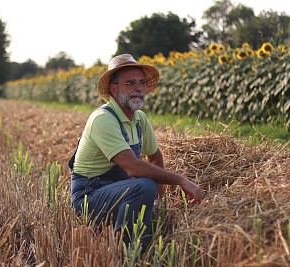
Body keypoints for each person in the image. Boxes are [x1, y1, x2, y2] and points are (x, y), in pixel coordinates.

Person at [69, 54, 202, 249]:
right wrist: (181, 180)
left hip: (119, 191)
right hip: (89, 197)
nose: (138, 89)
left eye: (141, 83)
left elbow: (155, 156)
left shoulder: (139, 119)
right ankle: (128, 253)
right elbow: (132, 167)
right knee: (143, 186)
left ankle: (140, 240)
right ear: (114, 89)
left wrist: (157, 199)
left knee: (146, 188)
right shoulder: (103, 119)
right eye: (130, 83)